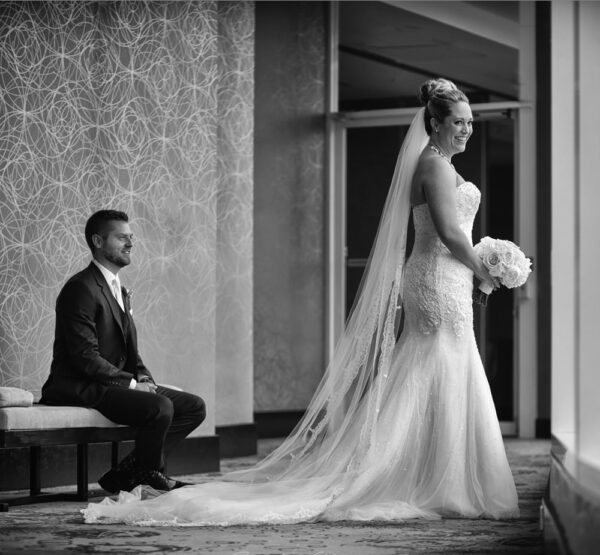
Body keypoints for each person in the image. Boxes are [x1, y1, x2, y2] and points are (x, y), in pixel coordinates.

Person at [83, 79, 519, 525]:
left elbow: (453, 236)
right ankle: (436, 479)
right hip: (438, 277)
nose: (467, 130)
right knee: (438, 360)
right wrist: (486, 270)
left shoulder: (435, 164)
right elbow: (449, 234)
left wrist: (479, 266)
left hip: (444, 276)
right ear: (435, 123)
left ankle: (432, 474)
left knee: (436, 362)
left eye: (470, 122)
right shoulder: (435, 166)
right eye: (458, 122)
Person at [41, 210, 206, 493]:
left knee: (194, 407)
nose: (130, 244)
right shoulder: (80, 288)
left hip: (110, 382)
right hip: (79, 385)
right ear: (98, 241)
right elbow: (84, 356)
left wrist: (143, 379)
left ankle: (132, 472)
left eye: (131, 237)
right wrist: (130, 384)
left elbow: (130, 350)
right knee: (160, 407)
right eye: (121, 238)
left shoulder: (119, 288)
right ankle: (149, 474)